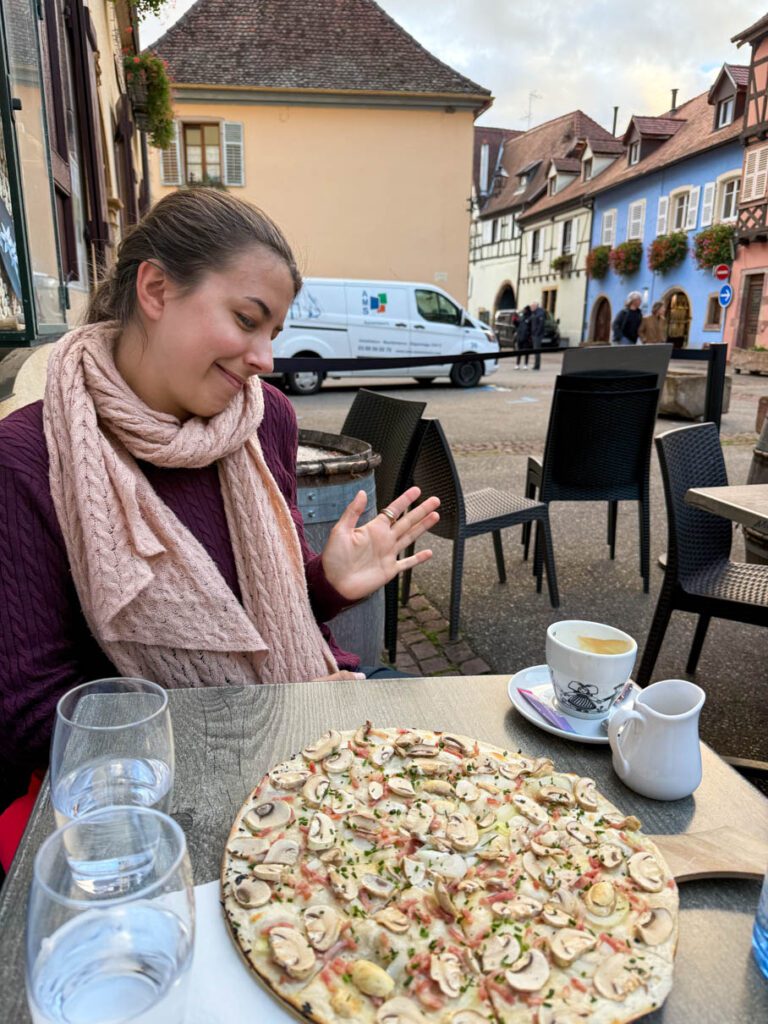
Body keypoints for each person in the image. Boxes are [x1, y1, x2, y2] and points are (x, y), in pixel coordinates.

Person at [0, 188, 440, 825]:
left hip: (304, 738)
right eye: (246, 319)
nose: (265, 358)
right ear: (155, 290)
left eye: (274, 332)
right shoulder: (28, 456)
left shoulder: (265, 423)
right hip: (147, 801)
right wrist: (258, 722)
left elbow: (261, 627)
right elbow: (30, 712)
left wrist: (327, 584)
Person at [529, 300, 546, 371]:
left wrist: (536, 333)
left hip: (537, 335)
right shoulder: (534, 313)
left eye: (532, 306)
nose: (531, 308)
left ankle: (537, 366)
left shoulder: (540, 313)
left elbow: (541, 325)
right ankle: (536, 365)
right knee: (535, 350)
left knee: (537, 351)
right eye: (530, 306)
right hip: (534, 335)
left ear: (535, 306)